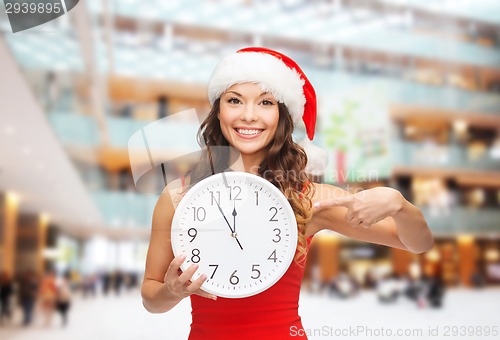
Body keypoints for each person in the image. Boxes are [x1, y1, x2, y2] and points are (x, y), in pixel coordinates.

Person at [141, 47, 434, 339]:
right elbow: (151, 298)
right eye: (234, 100)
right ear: (218, 111)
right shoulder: (179, 197)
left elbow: (417, 243)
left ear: (283, 116)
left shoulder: (307, 198)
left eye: (265, 102)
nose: (249, 115)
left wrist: (400, 205)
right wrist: (171, 291)